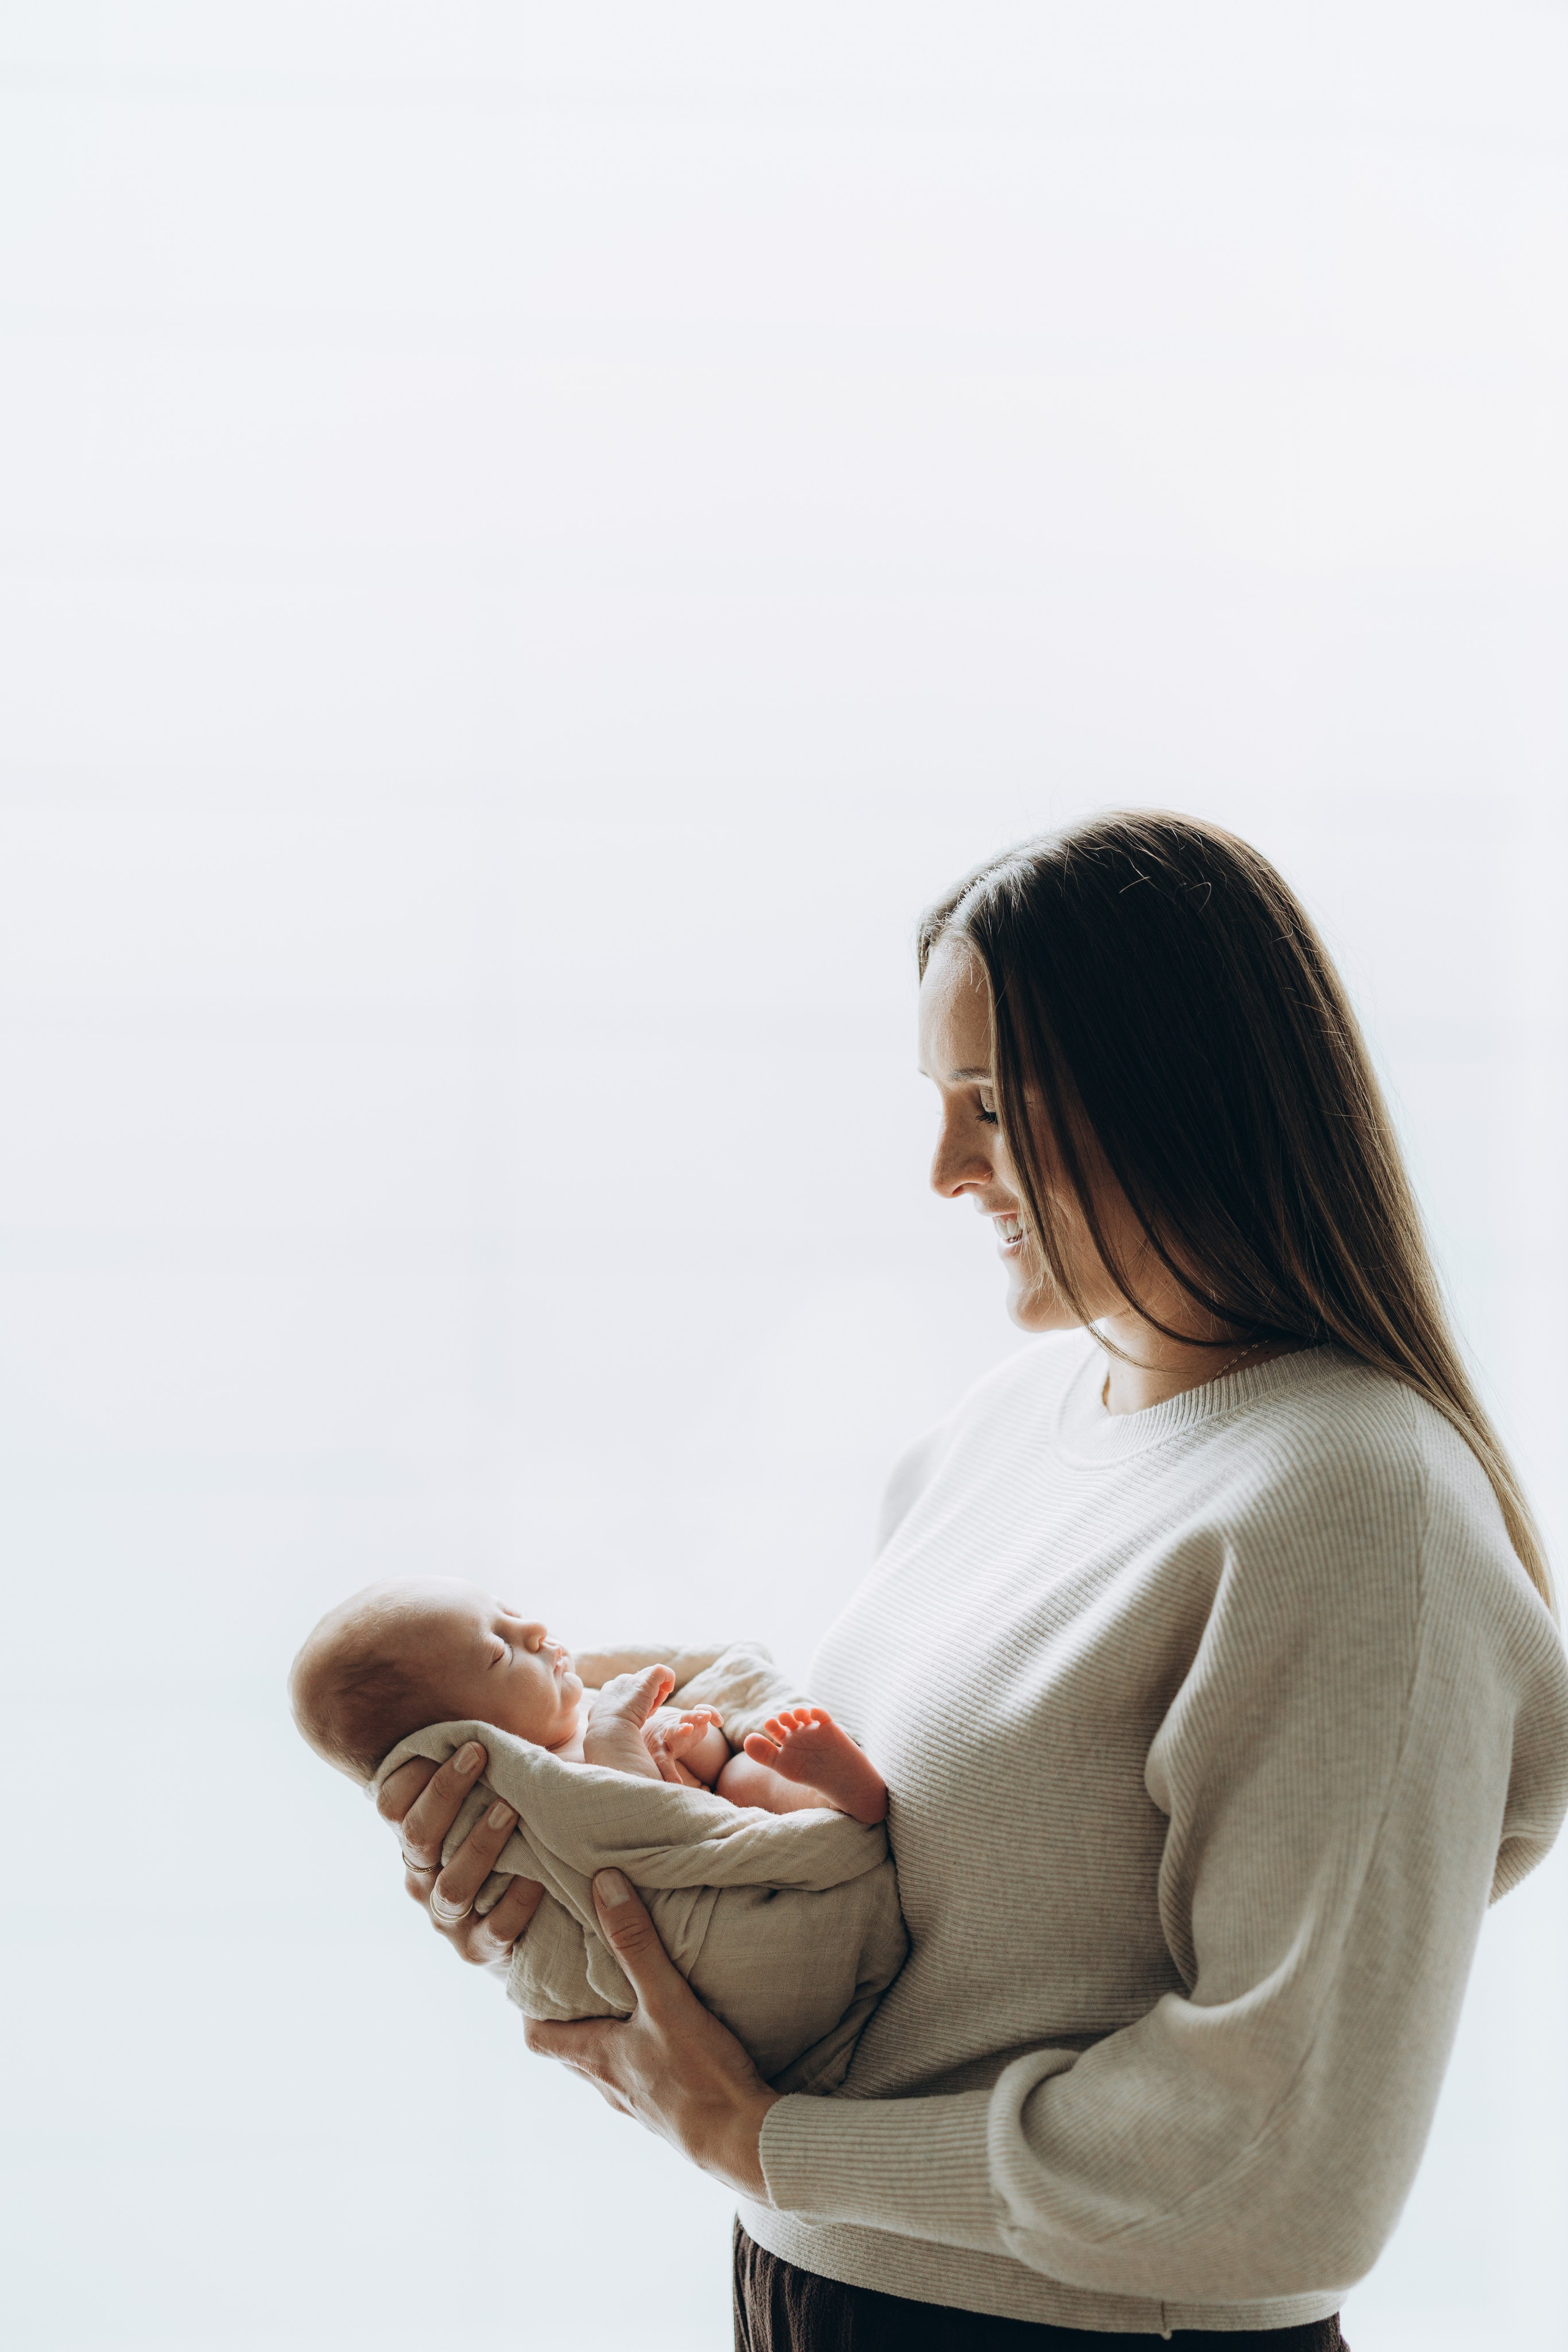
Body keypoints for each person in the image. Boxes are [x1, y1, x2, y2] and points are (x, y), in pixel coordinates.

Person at [379, 812, 1568, 2350]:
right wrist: (563, 1852)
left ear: (1175, 1093)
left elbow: (1285, 2167)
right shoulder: (1010, 1422)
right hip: (815, 2288)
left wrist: (769, 2143)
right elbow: (902, 1947)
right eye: (939, 1103)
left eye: (991, 1105)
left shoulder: (1352, 1503)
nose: (942, 1170)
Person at [290, 1574, 889, 1820]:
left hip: (724, 1807)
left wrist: (692, 1737)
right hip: (703, 1861)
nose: (534, 1633)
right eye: (499, 1652)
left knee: (743, 1771)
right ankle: (842, 1799)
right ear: (457, 1738)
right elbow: (640, 1823)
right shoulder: (534, 1786)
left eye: (511, 1616)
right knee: (733, 1789)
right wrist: (619, 1737)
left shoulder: (591, 1703)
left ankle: (832, 1789)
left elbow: (700, 1762)